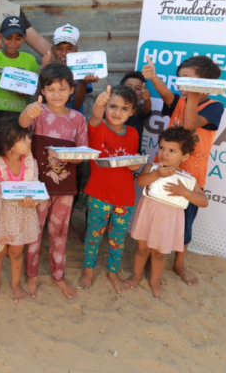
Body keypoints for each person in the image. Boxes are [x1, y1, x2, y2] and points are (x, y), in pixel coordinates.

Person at [143, 55, 224, 287]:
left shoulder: (214, 107)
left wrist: (194, 93)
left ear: (205, 81)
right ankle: (151, 257)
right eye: (180, 78)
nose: (181, 82)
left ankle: (179, 264)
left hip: (191, 178)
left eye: (187, 79)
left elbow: (189, 124)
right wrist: (153, 76)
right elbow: (167, 94)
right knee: (156, 215)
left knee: (184, 225)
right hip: (164, 170)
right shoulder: (179, 100)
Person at [18, 63, 87, 300]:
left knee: (59, 231)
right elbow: (21, 126)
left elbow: (82, 154)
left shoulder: (78, 119)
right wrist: (28, 111)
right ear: (43, 91)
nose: (56, 94)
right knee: (34, 231)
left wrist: (71, 157)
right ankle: (32, 275)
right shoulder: (38, 112)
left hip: (65, 187)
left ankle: (59, 276)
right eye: (51, 89)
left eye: (62, 88)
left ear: (71, 90)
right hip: (37, 185)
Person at [125, 127, 208, 297]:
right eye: (162, 148)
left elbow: (203, 201)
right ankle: (136, 276)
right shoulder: (151, 167)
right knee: (141, 249)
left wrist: (185, 192)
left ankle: (154, 282)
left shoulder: (188, 179)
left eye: (172, 150)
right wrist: (156, 174)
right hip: (148, 215)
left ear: (184, 156)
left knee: (159, 253)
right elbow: (141, 182)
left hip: (167, 220)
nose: (164, 153)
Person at [78, 85, 139, 294]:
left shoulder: (133, 133)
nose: (117, 112)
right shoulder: (98, 128)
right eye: (112, 106)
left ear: (132, 112)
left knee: (118, 238)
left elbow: (133, 161)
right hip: (99, 194)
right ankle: (88, 269)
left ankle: (113, 272)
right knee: (94, 234)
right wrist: (99, 102)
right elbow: (95, 115)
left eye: (124, 108)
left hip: (125, 196)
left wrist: (135, 166)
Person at [0, 118, 40, 303]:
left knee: (17, 253)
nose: (29, 141)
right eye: (24, 139)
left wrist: (32, 201)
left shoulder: (30, 163)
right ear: (10, 146)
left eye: (28, 137)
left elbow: (34, 188)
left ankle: (15, 284)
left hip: (21, 217)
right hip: (0, 217)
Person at [0, 15, 41, 120]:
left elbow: (38, 87)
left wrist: (28, 92)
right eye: (8, 38)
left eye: (18, 38)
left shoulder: (29, 60)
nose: (13, 43)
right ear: (0, 36)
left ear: (25, 38)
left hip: (20, 113)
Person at [43, 24, 96, 112]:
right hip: (50, 121)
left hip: (73, 121)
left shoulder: (82, 71)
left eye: (69, 48)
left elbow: (77, 105)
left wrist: (83, 83)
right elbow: (41, 99)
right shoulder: (48, 70)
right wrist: (45, 70)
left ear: (76, 50)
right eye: (59, 48)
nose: (64, 53)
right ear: (53, 50)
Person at [121, 71, 152, 152]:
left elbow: (146, 109)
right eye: (129, 86)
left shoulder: (139, 110)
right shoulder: (110, 107)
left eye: (137, 88)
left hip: (132, 154)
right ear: (120, 88)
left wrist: (147, 99)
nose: (132, 90)